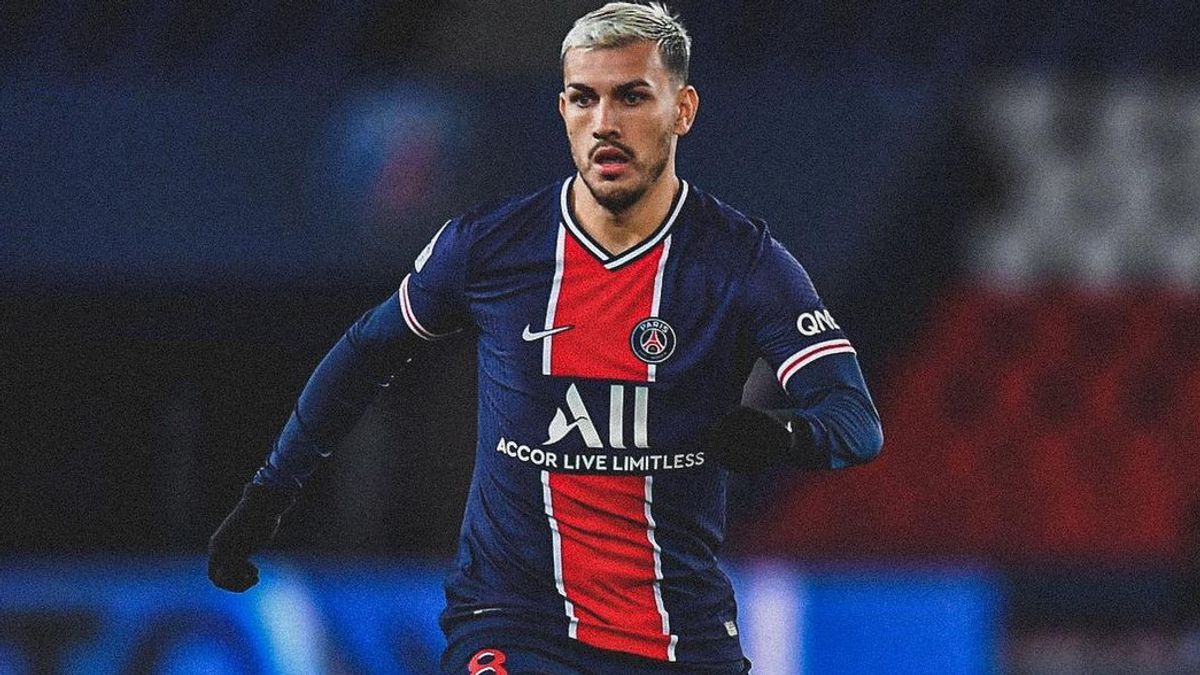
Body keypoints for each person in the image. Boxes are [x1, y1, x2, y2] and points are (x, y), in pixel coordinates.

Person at [207, 2, 883, 673]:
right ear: (563, 110)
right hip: (513, 622)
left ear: (682, 110)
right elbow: (365, 352)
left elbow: (855, 421)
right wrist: (269, 493)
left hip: (679, 639)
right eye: (584, 98)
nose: (605, 123)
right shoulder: (489, 247)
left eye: (631, 97)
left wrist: (781, 436)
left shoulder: (743, 263)